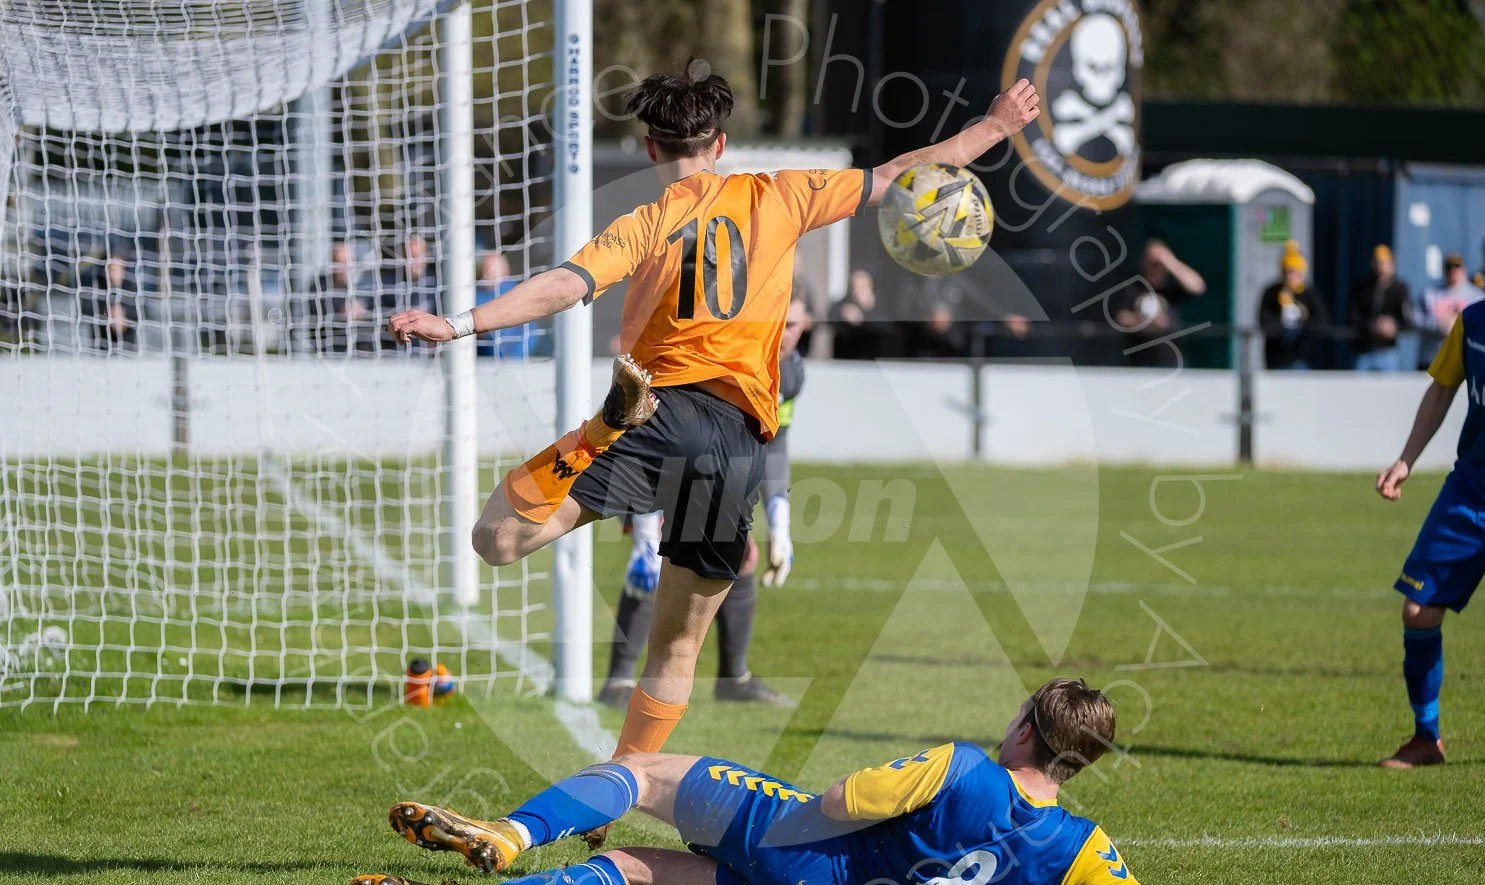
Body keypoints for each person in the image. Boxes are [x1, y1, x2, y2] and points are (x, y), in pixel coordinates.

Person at [388, 66, 1042, 783]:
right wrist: (996, 126)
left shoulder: (646, 221)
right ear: (721, 144)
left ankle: (600, 432)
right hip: (735, 441)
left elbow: (565, 286)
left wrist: (459, 323)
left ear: (650, 148)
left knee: (497, 539)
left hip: (656, 412)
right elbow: (900, 175)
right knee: (677, 647)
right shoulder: (782, 193)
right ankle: (619, 786)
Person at [351, 678, 1198, 885]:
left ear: (1025, 731)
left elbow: (836, 804)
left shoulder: (965, 768)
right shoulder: (1082, 852)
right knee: (636, 871)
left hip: (801, 849)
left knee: (640, 774)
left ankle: (510, 836)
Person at [598, 289, 814, 710]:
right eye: (779, 320)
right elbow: (654, 432)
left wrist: (780, 524)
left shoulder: (790, 372)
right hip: (652, 459)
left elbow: (776, 444)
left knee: (740, 555)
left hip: (718, 467)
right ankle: (618, 681)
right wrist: (644, 533)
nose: (784, 333)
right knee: (652, 564)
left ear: (806, 325)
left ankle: (734, 679)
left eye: (793, 324)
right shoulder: (722, 354)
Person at [1374, 295, 1485, 767]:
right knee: (1418, 610)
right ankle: (1427, 739)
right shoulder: (1475, 321)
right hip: (1469, 493)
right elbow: (1443, 388)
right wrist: (1406, 460)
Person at [1112, 240, 1205, 367]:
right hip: (1139, 359)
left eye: (1159, 264)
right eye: (1152, 263)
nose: (1155, 268)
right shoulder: (1133, 286)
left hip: (1171, 358)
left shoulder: (1171, 287)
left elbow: (1197, 287)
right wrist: (1145, 323)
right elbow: (1121, 318)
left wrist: (1169, 260)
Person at [1259, 241, 1328, 370]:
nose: (1289, 276)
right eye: (1286, 272)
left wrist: (1303, 319)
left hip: (1301, 356)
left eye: (1293, 272)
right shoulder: (1271, 293)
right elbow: (1265, 321)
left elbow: (1322, 322)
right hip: (1275, 356)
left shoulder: (1309, 294)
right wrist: (1282, 329)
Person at [1349, 245, 1412, 372]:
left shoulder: (1399, 288)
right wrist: (1372, 325)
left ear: (1392, 264)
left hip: (1388, 352)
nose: (1381, 266)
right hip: (1364, 351)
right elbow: (1352, 318)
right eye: (1378, 262)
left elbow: (1408, 320)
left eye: (1385, 262)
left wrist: (1393, 326)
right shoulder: (1362, 288)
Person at [1418, 251, 1485, 368]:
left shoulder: (1476, 296)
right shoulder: (1430, 293)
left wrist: (1458, 325)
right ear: (1443, 270)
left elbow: (1483, 325)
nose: (1453, 271)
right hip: (1432, 359)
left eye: (1457, 266)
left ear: (1463, 270)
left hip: (1463, 361)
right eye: (1449, 267)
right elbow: (1415, 320)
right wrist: (1438, 324)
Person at [308, 239, 370, 354]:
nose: (344, 268)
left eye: (348, 262)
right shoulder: (318, 285)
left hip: (351, 350)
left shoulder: (353, 287)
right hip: (324, 349)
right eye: (340, 262)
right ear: (332, 262)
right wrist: (341, 312)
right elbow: (315, 311)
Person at [830, 268, 900, 359]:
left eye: (862, 287)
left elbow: (889, 328)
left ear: (871, 287)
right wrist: (842, 312)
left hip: (873, 359)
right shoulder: (844, 304)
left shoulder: (883, 305)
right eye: (854, 287)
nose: (857, 291)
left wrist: (864, 316)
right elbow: (830, 317)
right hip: (847, 358)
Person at [81, 255, 138, 353]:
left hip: (126, 347)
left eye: (117, 270)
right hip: (101, 346)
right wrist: (107, 313)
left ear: (123, 271)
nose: (113, 274)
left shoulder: (131, 288)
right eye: (111, 269)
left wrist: (123, 314)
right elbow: (85, 309)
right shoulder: (96, 286)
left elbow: (142, 313)